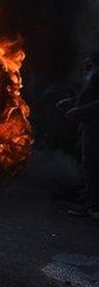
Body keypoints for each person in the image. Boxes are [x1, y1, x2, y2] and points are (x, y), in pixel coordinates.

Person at [60, 52, 99, 220]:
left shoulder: (97, 75)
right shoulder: (93, 75)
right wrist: (70, 103)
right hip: (88, 126)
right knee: (88, 164)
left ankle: (94, 207)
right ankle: (90, 200)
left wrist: (79, 111)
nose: (86, 64)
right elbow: (88, 97)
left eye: (89, 61)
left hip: (95, 128)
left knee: (92, 165)